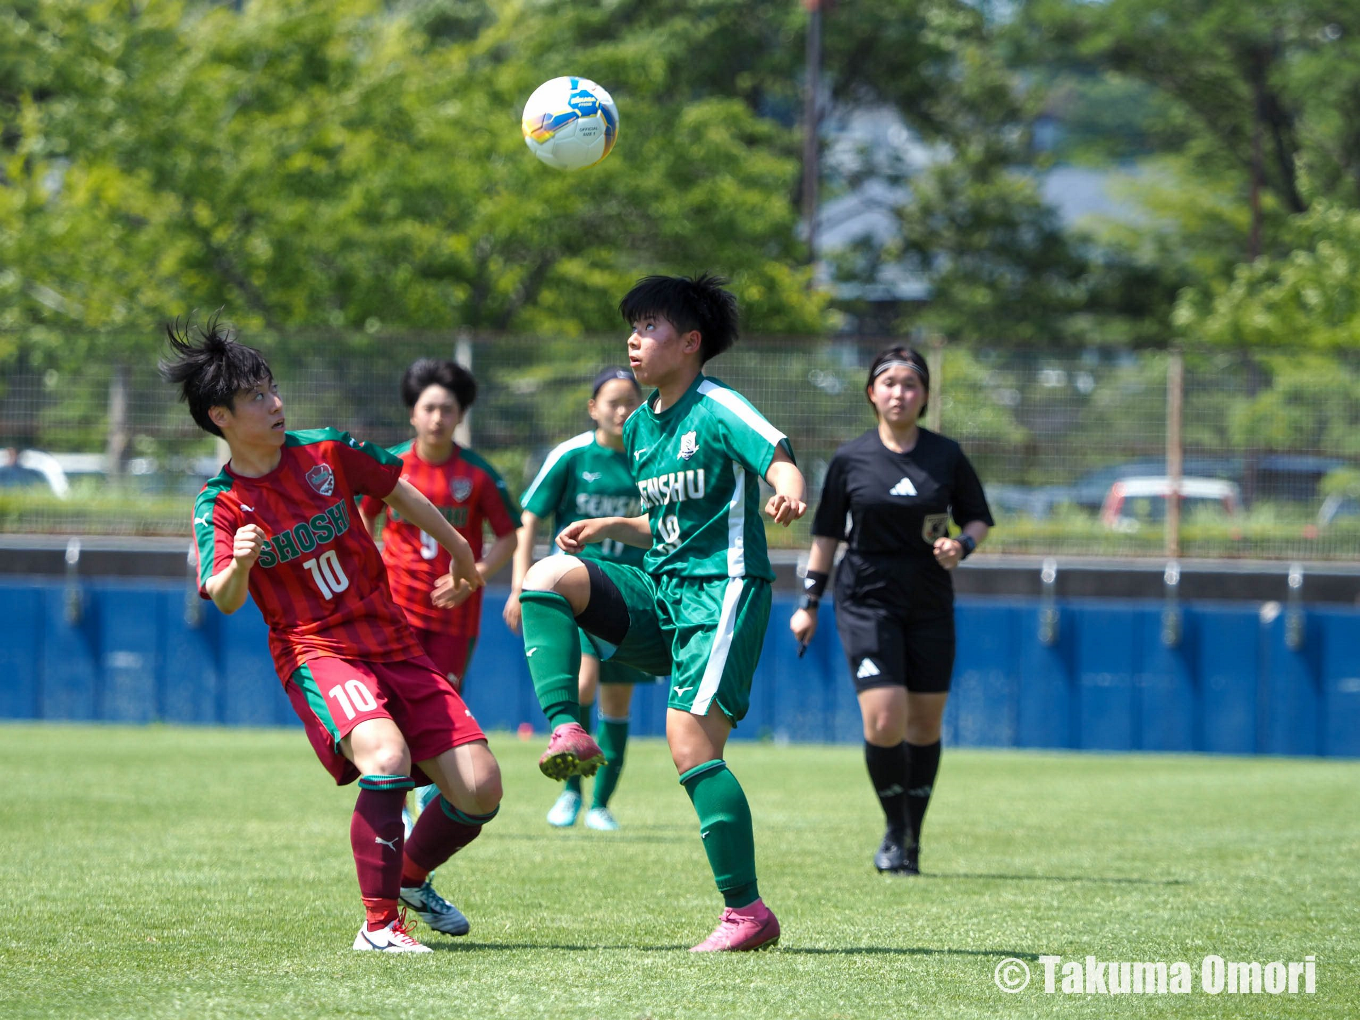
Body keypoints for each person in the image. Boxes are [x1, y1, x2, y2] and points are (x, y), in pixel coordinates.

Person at [165, 318, 503, 953]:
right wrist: (239, 562)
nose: (275, 403)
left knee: (480, 789)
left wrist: (461, 551)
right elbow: (228, 600)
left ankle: (406, 876)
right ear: (221, 416)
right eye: (257, 397)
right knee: (386, 759)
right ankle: (379, 927)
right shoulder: (220, 504)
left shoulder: (324, 451)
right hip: (317, 650)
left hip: (392, 639)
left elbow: (397, 489)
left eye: (272, 389)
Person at [515, 273, 806, 952]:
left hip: (723, 591)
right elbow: (669, 520)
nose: (633, 339)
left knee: (689, 744)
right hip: (663, 588)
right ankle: (567, 733)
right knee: (549, 576)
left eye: (649, 326)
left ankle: (747, 914)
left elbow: (780, 458)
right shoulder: (642, 425)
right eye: (633, 326)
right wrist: (617, 522)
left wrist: (788, 493)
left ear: (690, 342)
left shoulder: (718, 405)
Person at [789, 346, 993, 876]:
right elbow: (827, 536)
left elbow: (976, 519)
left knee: (925, 726)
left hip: (928, 603)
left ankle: (913, 837)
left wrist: (961, 548)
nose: (899, 393)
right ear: (871, 393)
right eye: (889, 383)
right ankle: (893, 826)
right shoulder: (850, 459)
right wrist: (808, 603)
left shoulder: (946, 455)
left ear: (924, 396)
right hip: (865, 601)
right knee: (884, 719)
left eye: (910, 384)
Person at [503, 367, 653, 832]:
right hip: (581, 590)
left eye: (631, 400)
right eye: (612, 401)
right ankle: (570, 792)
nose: (622, 410)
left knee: (618, 702)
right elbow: (529, 518)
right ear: (593, 408)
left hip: (632, 593)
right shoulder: (571, 456)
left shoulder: (650, 456)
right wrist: (520, 582)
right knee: (584, 685)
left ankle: (602, 803)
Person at [359, 358, 519, 695]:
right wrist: (369, 564)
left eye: (447, 409)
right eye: (428, 408)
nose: (437, 418)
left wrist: (478, 573)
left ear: (461, 416)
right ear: (412, 414)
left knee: (443, 707)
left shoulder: (479, 475)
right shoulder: (388, 466)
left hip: (455, 613)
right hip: (396, 607)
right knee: (393, 700)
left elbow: (509, 536)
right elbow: (364, 512)